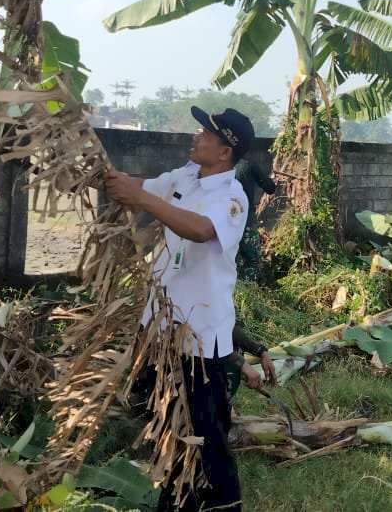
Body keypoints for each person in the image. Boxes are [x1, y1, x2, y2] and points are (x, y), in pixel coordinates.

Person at [105, 106, 255, 511]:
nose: (196, 136)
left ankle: (223, 505)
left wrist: (139, 197)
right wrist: (106, 174)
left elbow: (199, 229)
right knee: (167, 423)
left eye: (205, 133)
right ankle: (175, 500)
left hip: (200, 338)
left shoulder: (231, 198)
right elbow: (143, 187)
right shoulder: (185, 176)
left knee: (206, 435)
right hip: (161, 329)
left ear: (224, 151)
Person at [233, 159, 276, 281]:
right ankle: (248, 290)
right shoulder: (248, 165)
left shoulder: (217, 167)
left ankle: (232, 290)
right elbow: (270, 188)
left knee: (229, 260)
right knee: (253, 260)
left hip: (224, 226)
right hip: (245, 223)